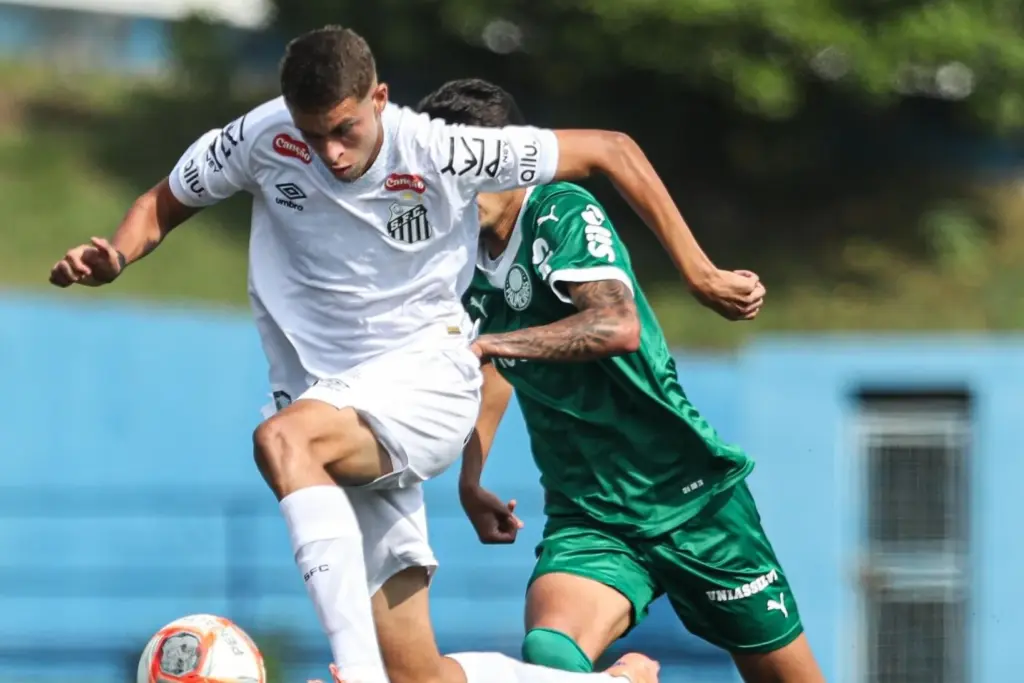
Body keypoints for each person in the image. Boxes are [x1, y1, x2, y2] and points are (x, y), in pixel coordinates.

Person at [48, 25, 761, 683]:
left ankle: (353, 670)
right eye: (312, 132)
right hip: (335, 406)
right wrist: (116, 251)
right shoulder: (261, 138)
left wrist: (700, 273)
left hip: (424, 384)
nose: (330, 152)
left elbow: (611, 149)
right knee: (418, 671)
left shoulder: (439, 147)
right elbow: (163, 202)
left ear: (380, 99)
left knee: (281, 441)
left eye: (345, 129)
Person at [416, 79, 823, 683]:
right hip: (590, 513)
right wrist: (471, 474)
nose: (456, 188)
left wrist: (488, 343)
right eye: (444, 172)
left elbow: (615, 323)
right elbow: (500, 365)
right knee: (552, 654)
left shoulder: (560, 210)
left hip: (692, 500)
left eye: (472, 168)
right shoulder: (457, 254)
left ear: (512, 158)